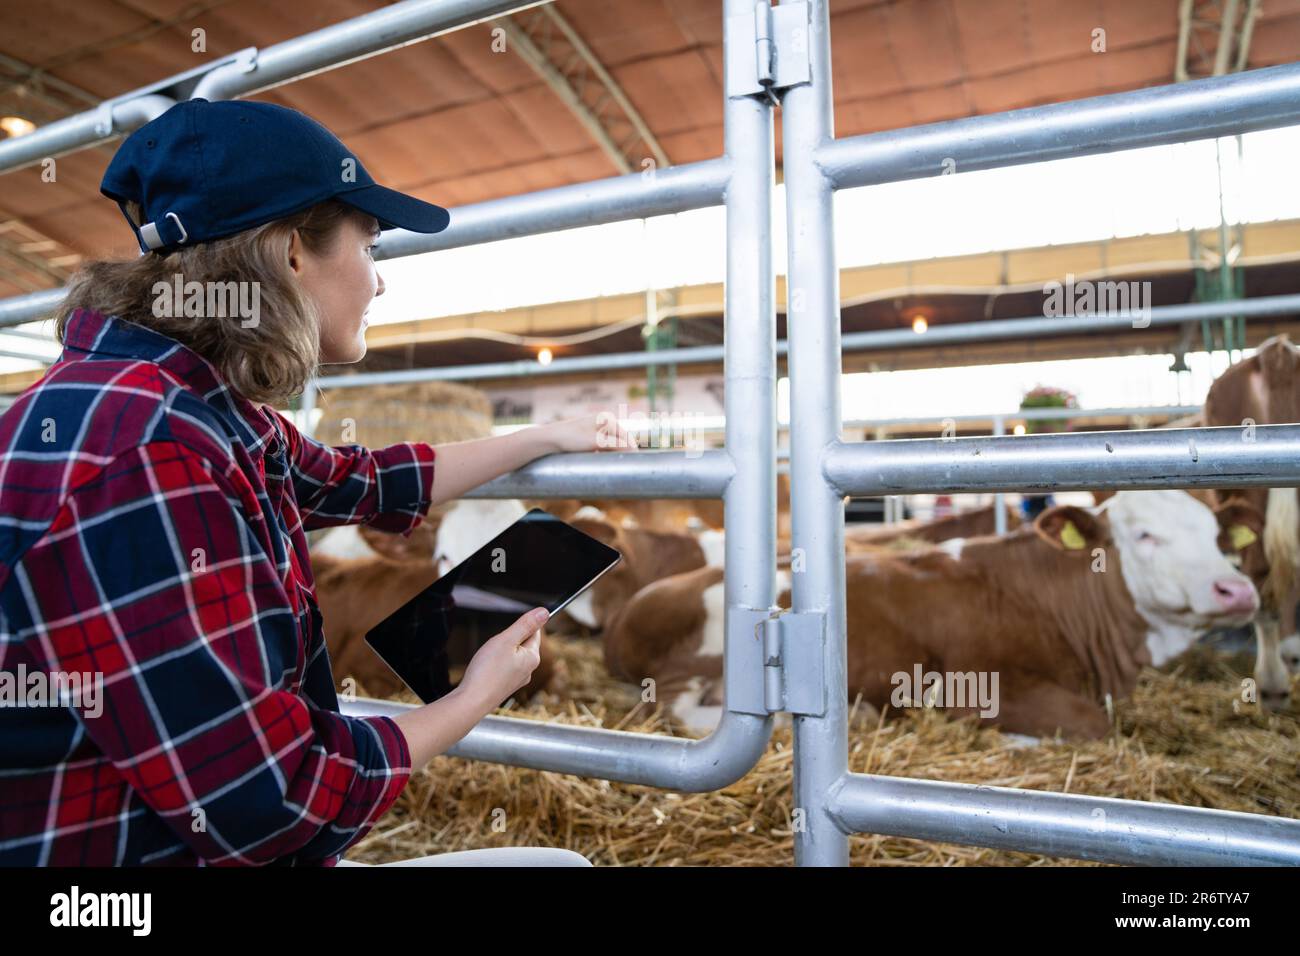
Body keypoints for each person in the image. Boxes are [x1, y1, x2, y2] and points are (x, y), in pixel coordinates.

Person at [0, 98, 636, 866]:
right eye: (371, 245)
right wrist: (473, 696)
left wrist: (540, 439)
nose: (379, 283)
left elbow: (359, 481)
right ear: (293, 253)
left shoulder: (184, 401)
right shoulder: (155, 454)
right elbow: (272, 804)